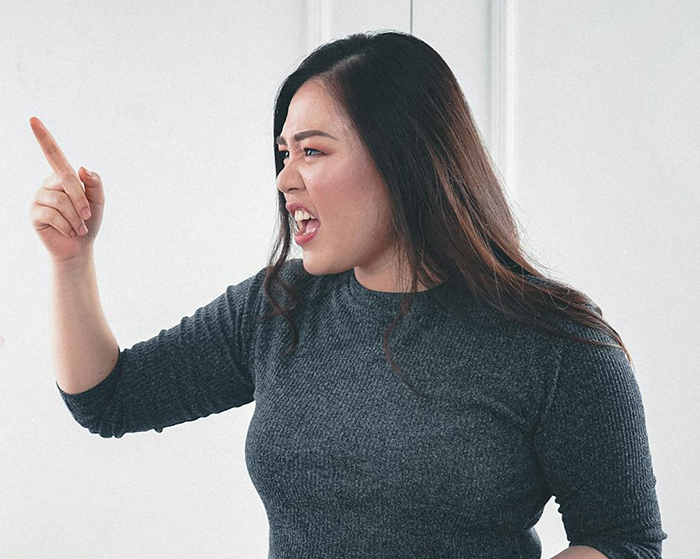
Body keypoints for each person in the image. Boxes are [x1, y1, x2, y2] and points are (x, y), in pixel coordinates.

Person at [30, 31, 667, 559]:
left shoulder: (557, 347)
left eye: (311, 151)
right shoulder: (279, 306)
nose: (284, 178)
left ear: (404, 159)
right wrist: (72, 260)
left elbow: (625, 541)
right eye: (283, 153)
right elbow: (109, 399)